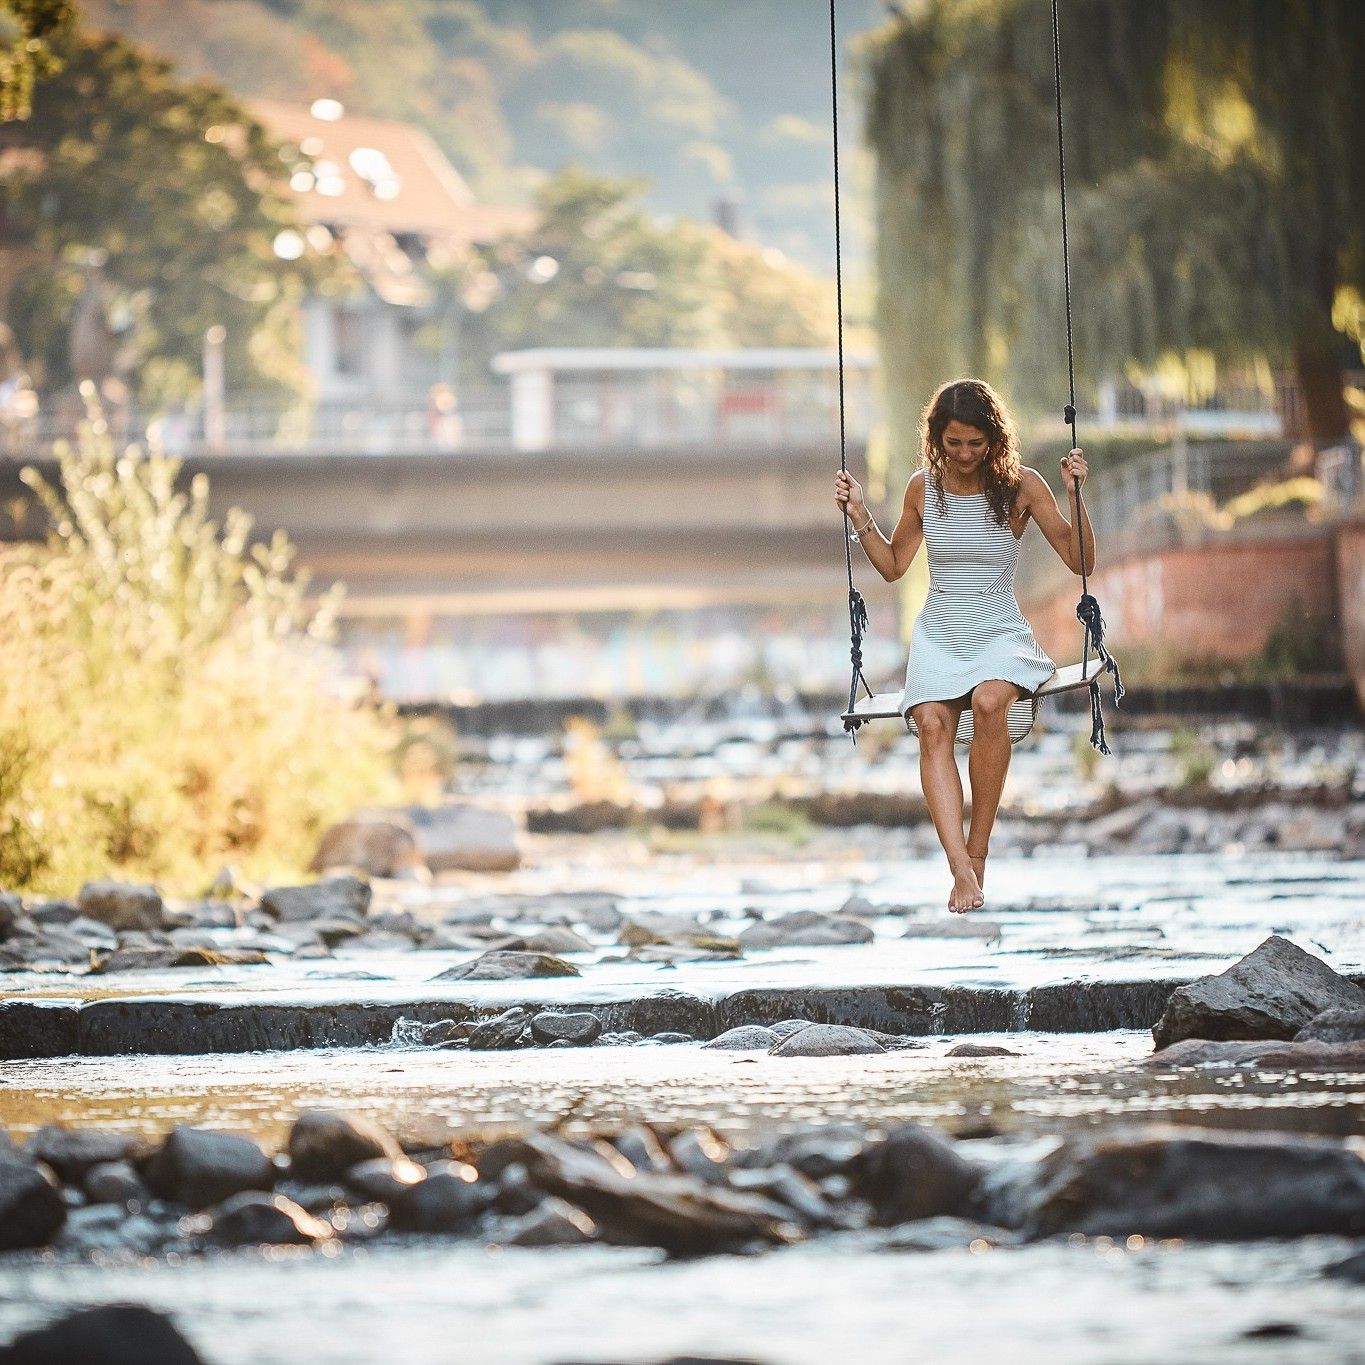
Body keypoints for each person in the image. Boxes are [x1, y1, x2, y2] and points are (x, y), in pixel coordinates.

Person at [834, 377, 1095, 913]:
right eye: (954, 443)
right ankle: (959, 873)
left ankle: (978, 852)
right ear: (936, 439)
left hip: (998, 628)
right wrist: (860, 515)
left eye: (976, 443)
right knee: (931, 723)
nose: (965, 454)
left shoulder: (1022, 486)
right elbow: (892, 566)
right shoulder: (920, 489)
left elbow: (1080, 561)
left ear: (994, 438)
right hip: (940, 632)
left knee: (990, 701)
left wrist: (1075, 497)